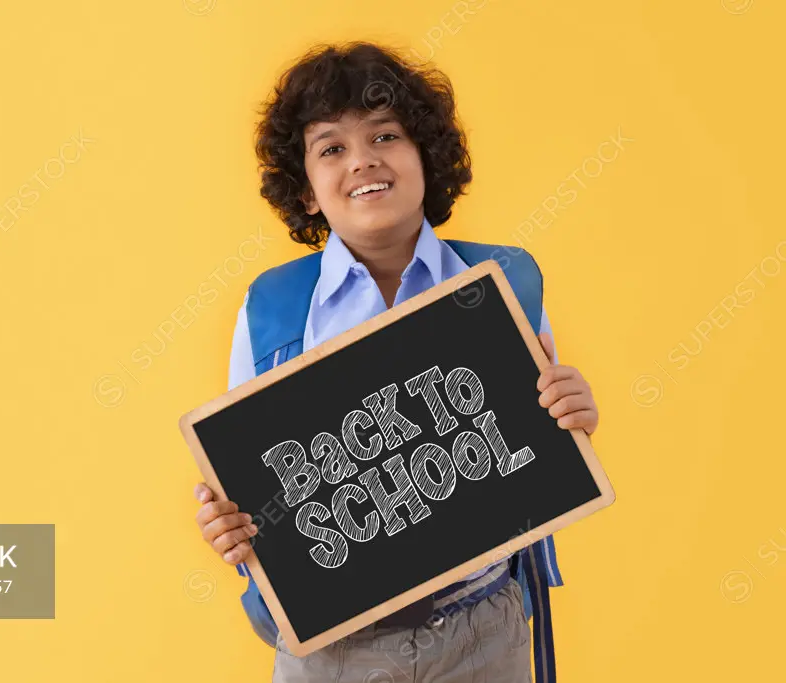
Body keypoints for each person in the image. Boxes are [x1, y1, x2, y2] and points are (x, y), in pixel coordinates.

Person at [193, 41, 599, 683]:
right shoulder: (273, 309)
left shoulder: (500, 283)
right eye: (332, 148)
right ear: (305, 192)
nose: (363, 161)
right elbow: (245, 475)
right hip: (333, 647)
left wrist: (572, 410)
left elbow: (542, 433)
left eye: (385, 135)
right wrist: (230, 525)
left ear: (425, 158)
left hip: (482, 626)